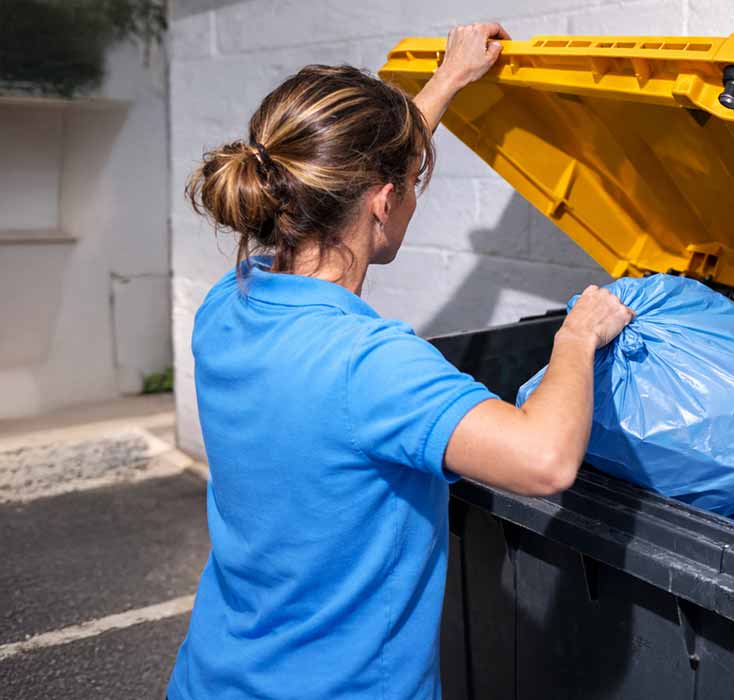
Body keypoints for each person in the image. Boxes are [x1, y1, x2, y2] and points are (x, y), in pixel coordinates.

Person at [166, 22, 633, 700]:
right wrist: (577, 336)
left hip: (214, 677)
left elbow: (352, 166)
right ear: (385, 200)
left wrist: (447, 81)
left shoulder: (228, 304)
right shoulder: (372, 364)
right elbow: (544, 460)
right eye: (413, 181)